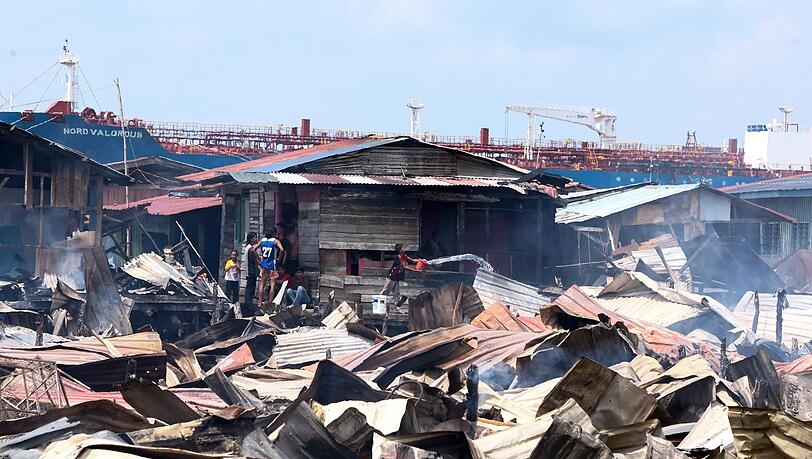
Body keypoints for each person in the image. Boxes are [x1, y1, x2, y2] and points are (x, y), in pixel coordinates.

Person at [380, 243, 419, 312]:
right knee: (385, 291)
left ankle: (397, 308)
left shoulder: (404, 256)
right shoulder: (399, 257)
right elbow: (404, 267)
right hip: (392, 277)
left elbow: (412, 260)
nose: (404, 249)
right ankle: (379, 306)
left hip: (397, 277)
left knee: (396, 293)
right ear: (400, 250)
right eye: (403, 248)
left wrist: (420, 260)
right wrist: (415, 270)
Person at [254, 231, 284, 311]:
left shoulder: (262, 241)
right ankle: (270, 303)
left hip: (264, 264)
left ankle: (260, 302)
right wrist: (279, 259)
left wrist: (259, 259)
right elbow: (282, 249)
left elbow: (253, 249)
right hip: (272, 264)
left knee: (262, 283)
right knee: (272, 283)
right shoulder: (275, 241)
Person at [242, 232, 259, 315]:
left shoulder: (248, 248)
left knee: (249, 288)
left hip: (249, 271)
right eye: (255, 237)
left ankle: (248, 304)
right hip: (251, 272)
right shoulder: (250, 249)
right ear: (251, 239)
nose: (256, 239)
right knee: (250, 289)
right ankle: (248, 305)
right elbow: (256, 260)